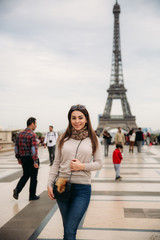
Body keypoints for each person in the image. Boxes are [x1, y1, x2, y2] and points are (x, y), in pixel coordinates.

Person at [47, 104, 103, 240]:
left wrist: (82, 166)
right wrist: (49, 183)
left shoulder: (93, 138)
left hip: (82, 188)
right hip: (61, 184)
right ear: (69, 119)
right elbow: (56, 163)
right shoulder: (62, 138)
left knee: (70, 229)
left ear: (86, 119)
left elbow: (99, 163)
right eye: (73, 118)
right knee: (68, 228)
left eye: (80, 117)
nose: (77, 121)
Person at [13, 117, 40, 201]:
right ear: (32, 124)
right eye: (35, 123)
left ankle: (17, 190)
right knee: (34, 177)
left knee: (25, 175)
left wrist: (18, 157)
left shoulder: (19, 134)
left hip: (23, 158)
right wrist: (35, 161)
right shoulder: (32, 134)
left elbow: (16, 147)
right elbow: (33, 149)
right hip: (31, 158)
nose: (36, 125)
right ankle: (32, 195)